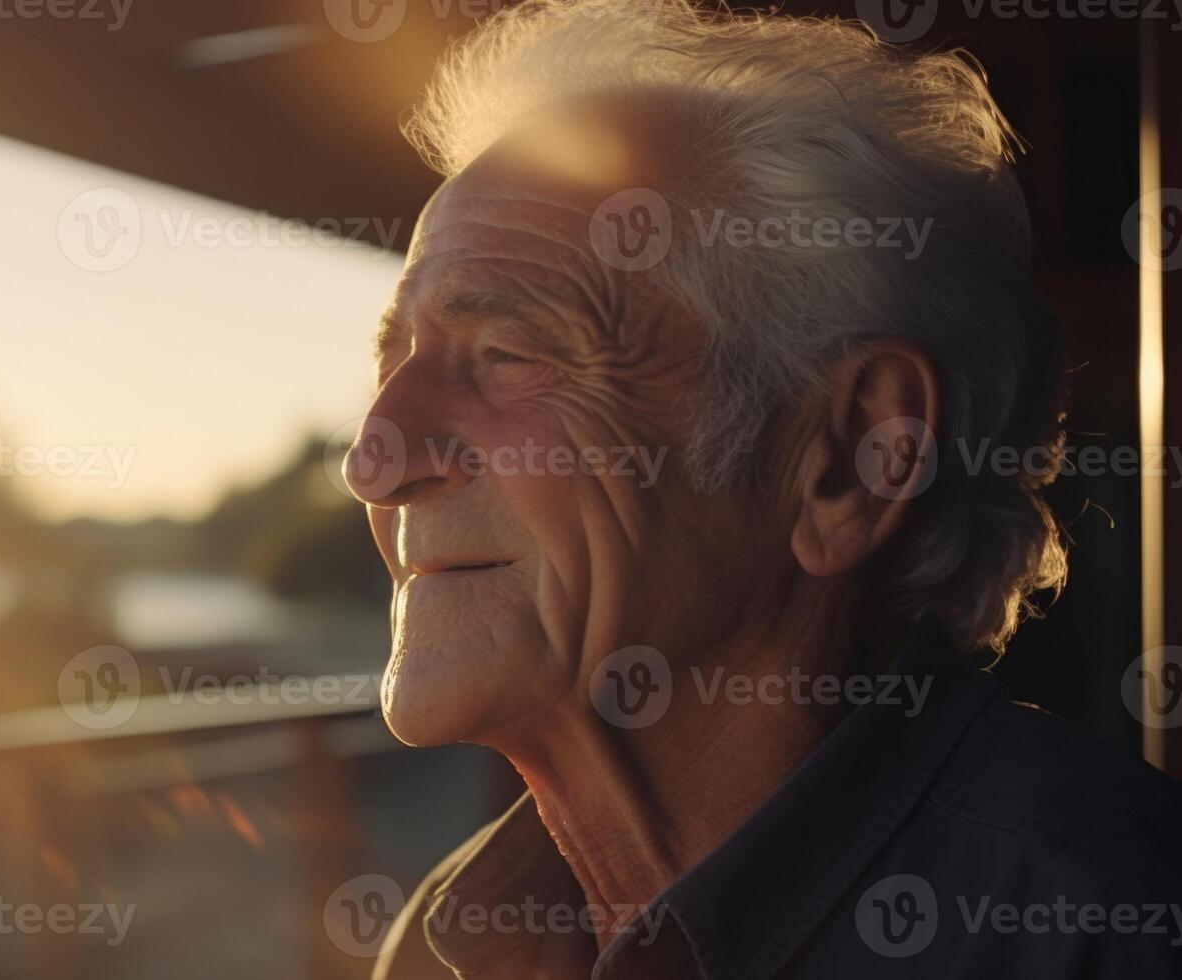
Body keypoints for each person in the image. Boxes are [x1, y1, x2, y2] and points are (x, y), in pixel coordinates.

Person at [342, 2, 1182, 976]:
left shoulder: (1110, 930)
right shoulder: (441, 943)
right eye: (391, 362)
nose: (375, 460)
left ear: (850, 458)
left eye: (506, 351)